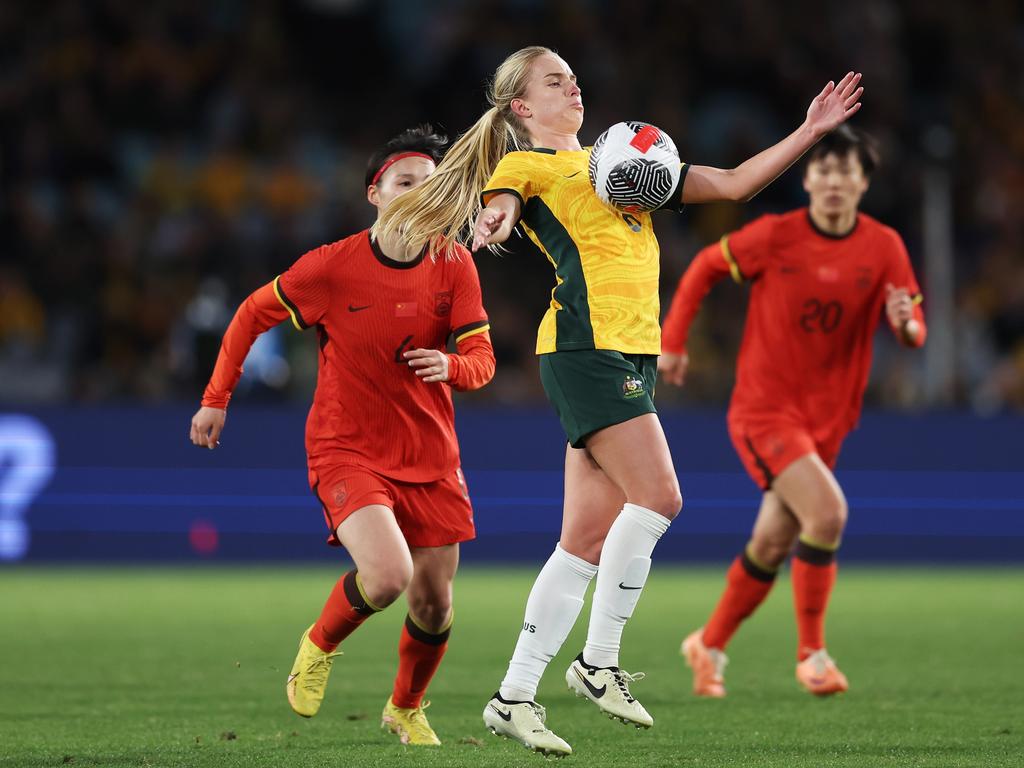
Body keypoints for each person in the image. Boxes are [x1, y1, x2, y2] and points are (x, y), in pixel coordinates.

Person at [373, 46, 863, 756]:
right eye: (553, 81)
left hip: (627, 351)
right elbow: (503, 198)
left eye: (573, 77)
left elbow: (728, 184)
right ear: (521, 108)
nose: (571, 87)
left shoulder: (624, 161)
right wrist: (497, 219)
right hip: (584, 349)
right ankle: (598, 661)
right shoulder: (530, 165)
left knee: (582, 545)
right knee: (661, 498)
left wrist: (810, 132)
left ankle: (513, 696)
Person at [189, 126, 495, 746]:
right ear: (375, 195)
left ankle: (405, 708)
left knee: (434, 604)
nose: (421, 192)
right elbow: (251, 314)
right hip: (346, 446)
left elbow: (483, 360)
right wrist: (215, 400)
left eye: (432, 183)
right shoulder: (332, 267)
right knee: (387, 576)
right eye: (406, 182)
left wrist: (454, 367)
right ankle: (318, 644)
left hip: (432, 456)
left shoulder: (454, 263)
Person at [660, 126, 926, 698]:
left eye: (845, 172)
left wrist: (905, 323)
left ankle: (707, 644)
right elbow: (706, 265)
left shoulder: (884, 247)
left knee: (773, 545)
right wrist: (674, 339)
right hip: (765, 410)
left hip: (830, 418)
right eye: (823, 171)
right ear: (807, 180)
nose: (833, 182)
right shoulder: (777, 236)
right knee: (827, 514)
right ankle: (813, 656)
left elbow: (913, 328)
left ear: (864, 183)